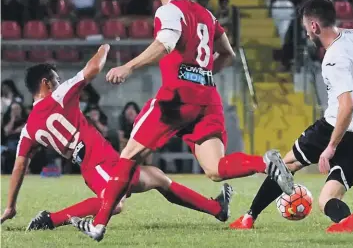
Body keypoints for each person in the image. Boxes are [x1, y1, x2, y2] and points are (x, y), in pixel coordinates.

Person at [72, 0, 294, 241]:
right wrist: (202, 73)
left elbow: (165, 42)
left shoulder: (168, 11)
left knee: (127, 156)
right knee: (215, 169)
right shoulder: (206, 14)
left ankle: (99, 224)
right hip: (207, 98)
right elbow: (228, 54)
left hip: (177, 99)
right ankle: (264, 163)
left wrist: (128, 67)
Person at [0, 49, 233, 230]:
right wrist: (105, 48)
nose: (60, 82)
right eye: (56, 79)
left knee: (158, 177)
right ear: (46, 83)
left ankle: (217, 208)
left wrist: (11, 205)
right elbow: (93, 68)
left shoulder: (28, 129)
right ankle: (50, 220)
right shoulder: (59, 95)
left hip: (106, 162)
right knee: (113, 204)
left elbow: (20, 166)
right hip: (97, 165)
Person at [230, 0, 353, 233]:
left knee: (285, 165)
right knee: (326, 200)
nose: (307, 34)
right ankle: (344, 220)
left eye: (305, 28)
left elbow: (347, 106)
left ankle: (249, 217)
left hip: (335, 127)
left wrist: (331, 147)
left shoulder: (334, 58)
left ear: (314, 26)